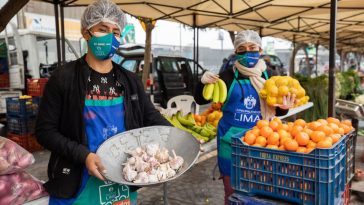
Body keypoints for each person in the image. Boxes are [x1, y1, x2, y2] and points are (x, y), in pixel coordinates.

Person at [35, 1, 170, 204]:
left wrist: (180, 137)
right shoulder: (64, 78)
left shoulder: (129, 80)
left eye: (115, 32)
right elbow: (45, 131)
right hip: (75, 182)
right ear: (86, 32)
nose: (110, 37)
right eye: (102, 29)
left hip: (121, 182)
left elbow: (150, 117)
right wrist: (84, 155)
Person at [194, 30, 295, 204]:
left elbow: (277, 110)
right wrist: (201, 82)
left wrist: (284, 108)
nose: (248, 52)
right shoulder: (226, 77)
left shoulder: (269, 76)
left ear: (260, 49)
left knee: (260, 194)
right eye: (242, 48)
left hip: (261, 143)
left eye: (252, 47)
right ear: (236, 52)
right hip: (231, 145)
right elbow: (200, 98)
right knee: (232, 194)